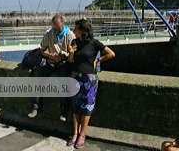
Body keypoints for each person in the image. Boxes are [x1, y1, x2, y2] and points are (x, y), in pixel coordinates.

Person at [66, 19, 115, 149]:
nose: (74, 30)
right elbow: (70, 61)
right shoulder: (74, 42)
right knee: (75, 105)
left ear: (82, 30)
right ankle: (75, 133)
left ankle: (82, 134)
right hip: (75, 76)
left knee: (87, 107)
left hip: (90, 79)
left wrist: (98, 59)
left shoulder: (94, 43)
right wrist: (70, 51)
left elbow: (111, 54)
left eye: (76, 28)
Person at [27, 15, 75, 121]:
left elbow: (73, 52)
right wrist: (50, 55)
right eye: (55, 29)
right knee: (39, 77)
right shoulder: (49, 34)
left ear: (62, 25)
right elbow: (42, 50)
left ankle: (64, 110)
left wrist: (64, 55)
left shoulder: (70, 35)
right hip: (51, 60)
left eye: (59, 29)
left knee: (63, 81)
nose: (57, 31)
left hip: (64, 61)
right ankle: (36, 106)